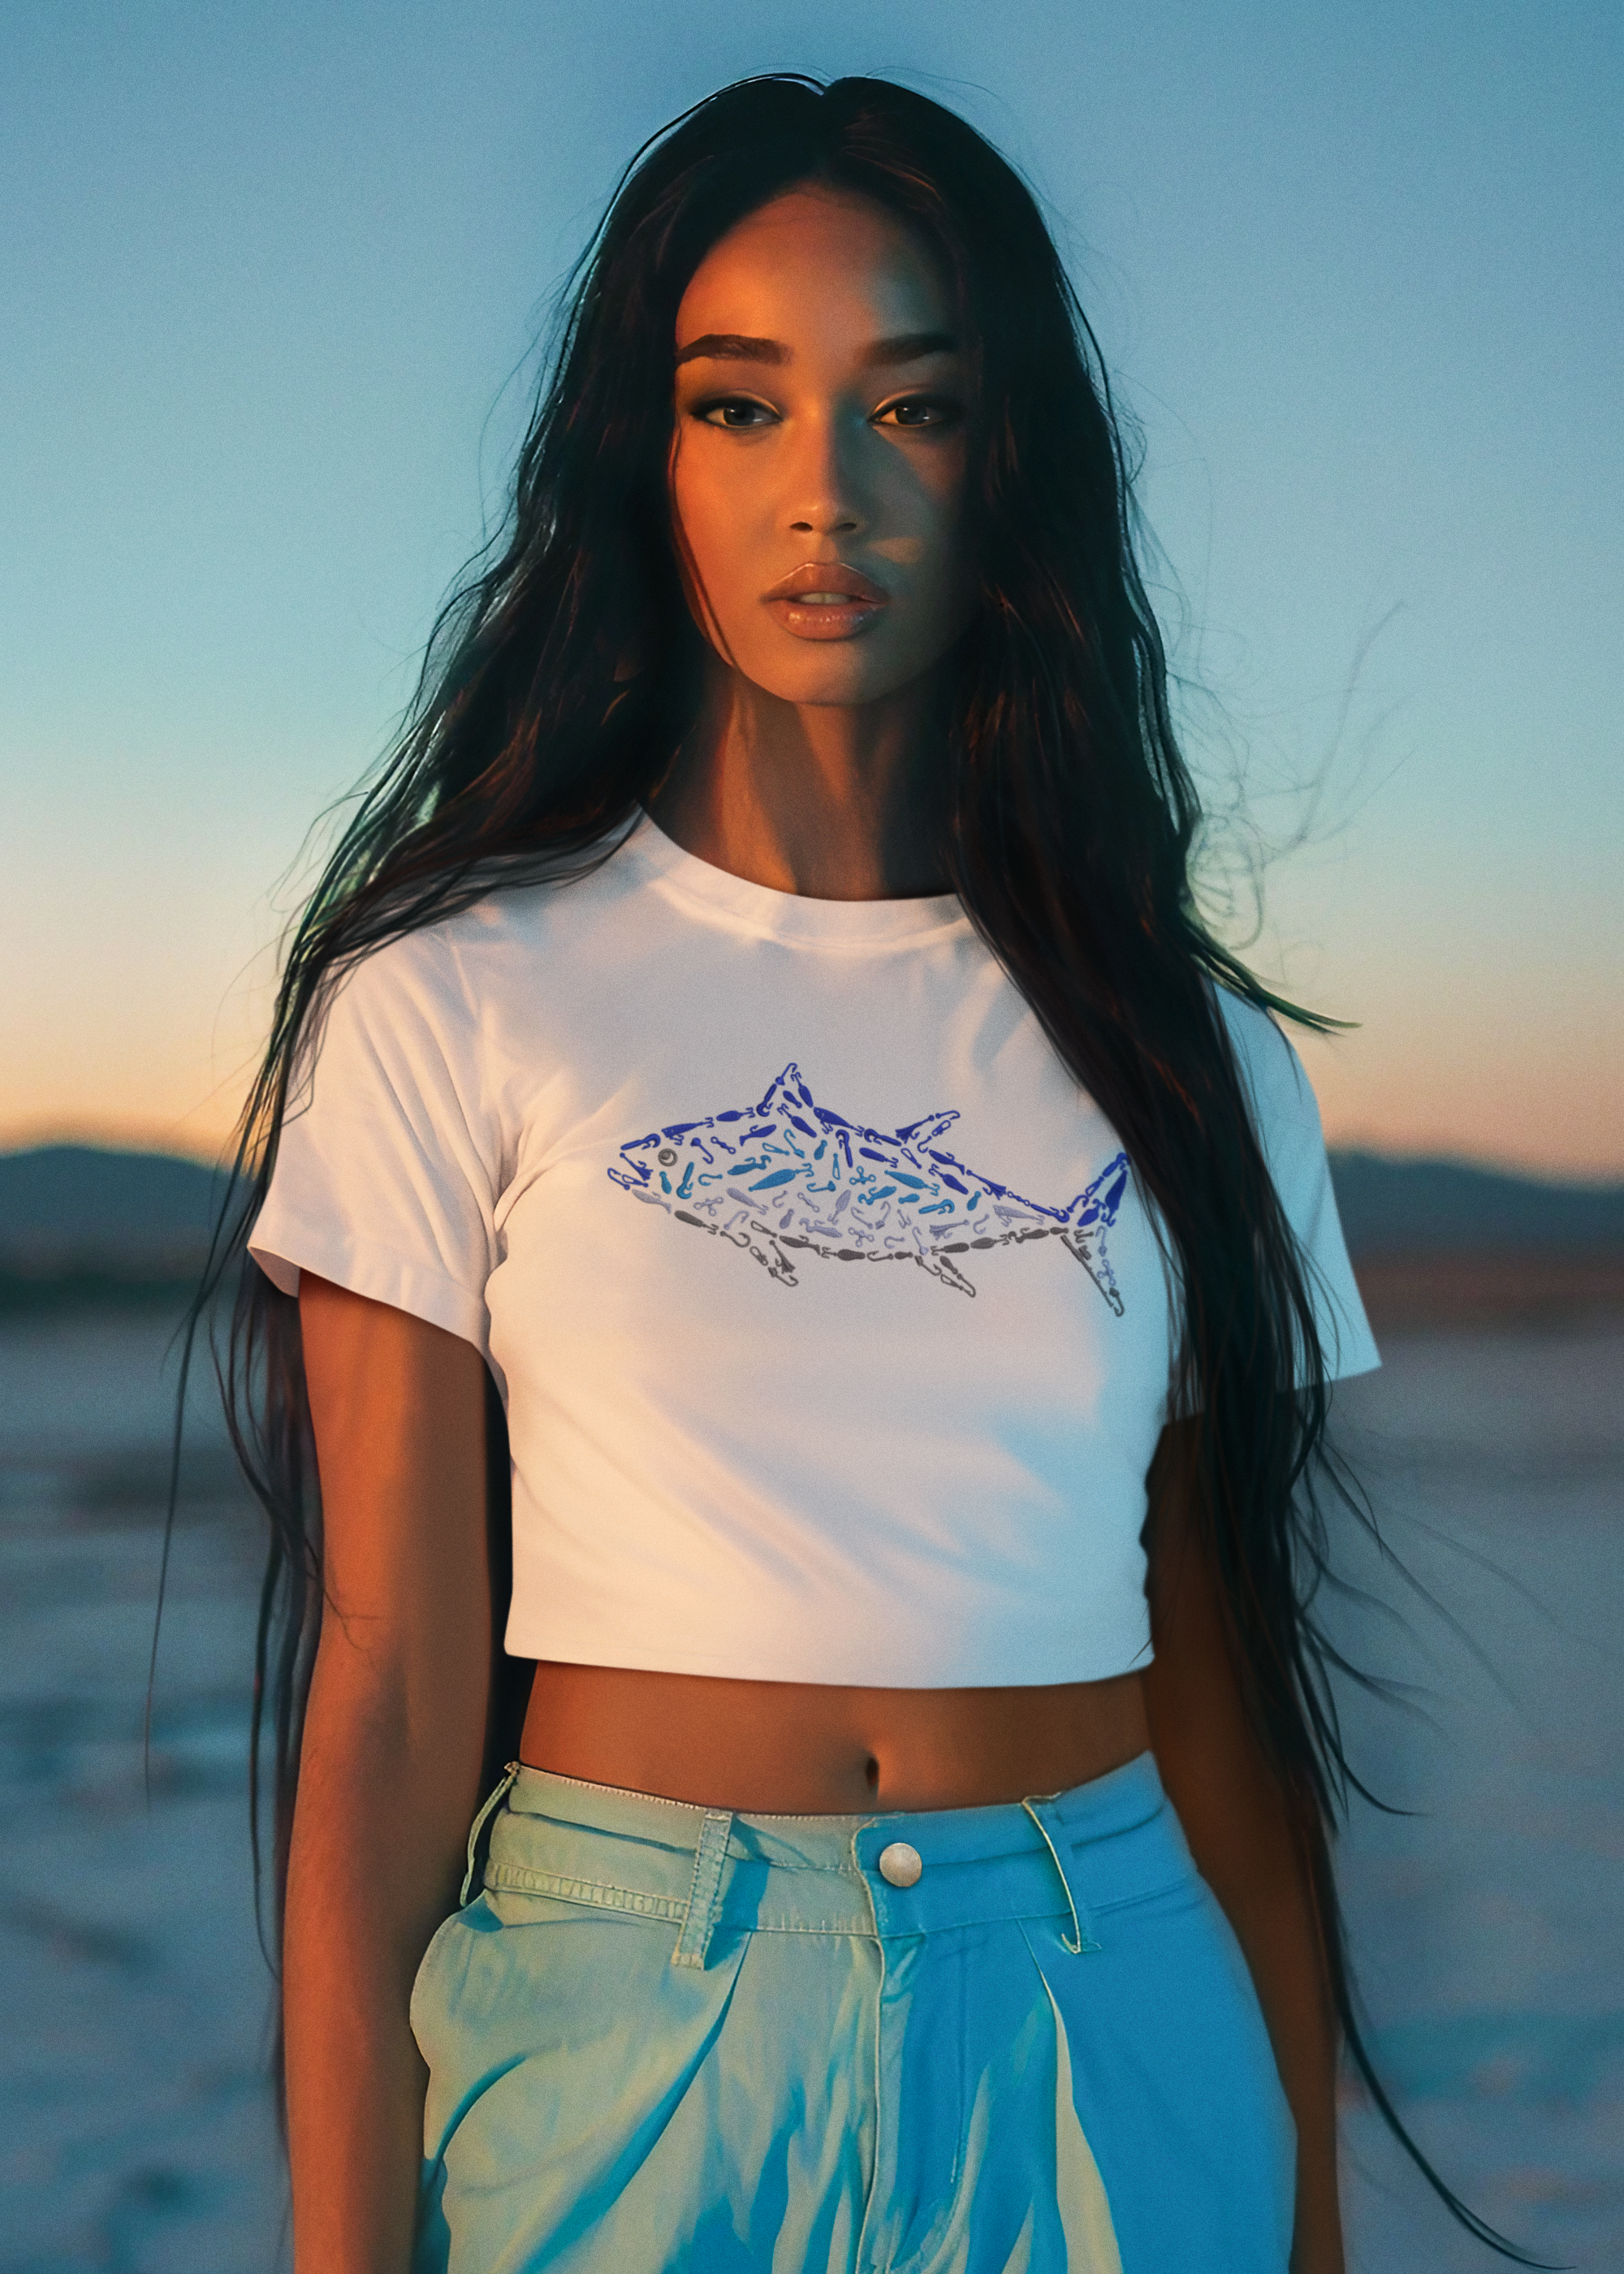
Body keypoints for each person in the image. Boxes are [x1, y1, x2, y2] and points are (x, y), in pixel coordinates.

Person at [211, 72, 1515, 2274]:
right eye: (739, 408)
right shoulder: (450, 997)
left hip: (1114, 2005)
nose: (825, 491)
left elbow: (1225, 1695)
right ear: (646, 456)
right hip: (625, 2029)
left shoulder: (1192, 1058)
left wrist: (1309, 2216)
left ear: (1010, 466)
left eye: (915, 409)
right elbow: (391, 1685)